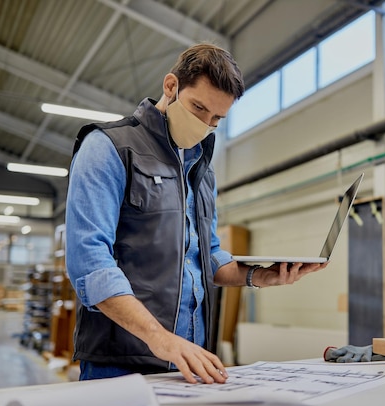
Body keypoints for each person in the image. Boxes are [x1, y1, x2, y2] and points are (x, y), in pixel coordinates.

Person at [65, 43, 326, 384]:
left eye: (216, 118)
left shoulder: (201, 170)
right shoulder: (109, 148)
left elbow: (207, 257)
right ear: (171, 86)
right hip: (120, 362)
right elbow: (89, 262)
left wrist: (260, 275)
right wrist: (159, 337)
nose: (205, 125)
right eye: (198, 108)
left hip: (189, 359)